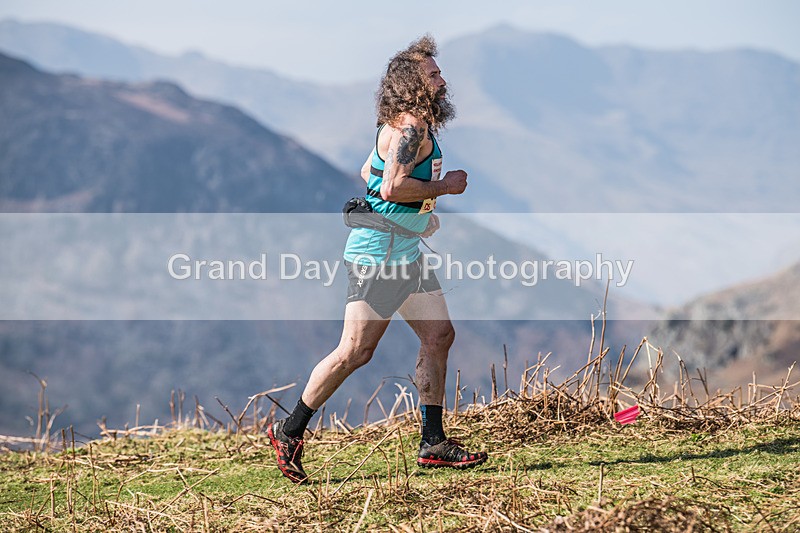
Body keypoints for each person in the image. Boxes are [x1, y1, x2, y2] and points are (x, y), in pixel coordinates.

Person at [268, 35, 488, 484]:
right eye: (433, 74)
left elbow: (370, 174)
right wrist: (445, 189)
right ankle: (288, 431)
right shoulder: (412, 129)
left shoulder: (400, 125)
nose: (442, 80)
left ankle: (432, 442)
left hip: (401, 249)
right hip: (381, 256)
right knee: (355, 351)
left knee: (439, 335)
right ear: (412, 84)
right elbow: (389, 188)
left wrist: (415, 216)